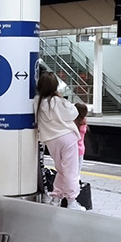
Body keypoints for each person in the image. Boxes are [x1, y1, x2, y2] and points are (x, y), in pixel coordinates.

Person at [34, 72, 83, 211]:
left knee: (61, 169)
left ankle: (56, 198)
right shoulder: (59, 101)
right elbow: (74, 113)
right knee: (71, 170)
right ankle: (72, 201)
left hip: (51, 140)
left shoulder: (37, 102)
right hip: (67, 137)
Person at [74, 103, 88, 175]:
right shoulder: (83, 123)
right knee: (77, 172)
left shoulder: (72, 123)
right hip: (81, 149)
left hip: (72, 149)